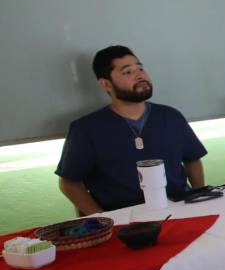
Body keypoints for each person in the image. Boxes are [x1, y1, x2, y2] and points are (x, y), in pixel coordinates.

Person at [56, 45, 207, 214]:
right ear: (106, 84)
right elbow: (69, 183)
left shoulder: (171, 116)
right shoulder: (86, 129)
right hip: (124, 218)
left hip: (179, 209)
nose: (140, 75)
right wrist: (104, 219)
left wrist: (198, 200)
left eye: (140, 68)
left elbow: (192, 160)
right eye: (127, 72)